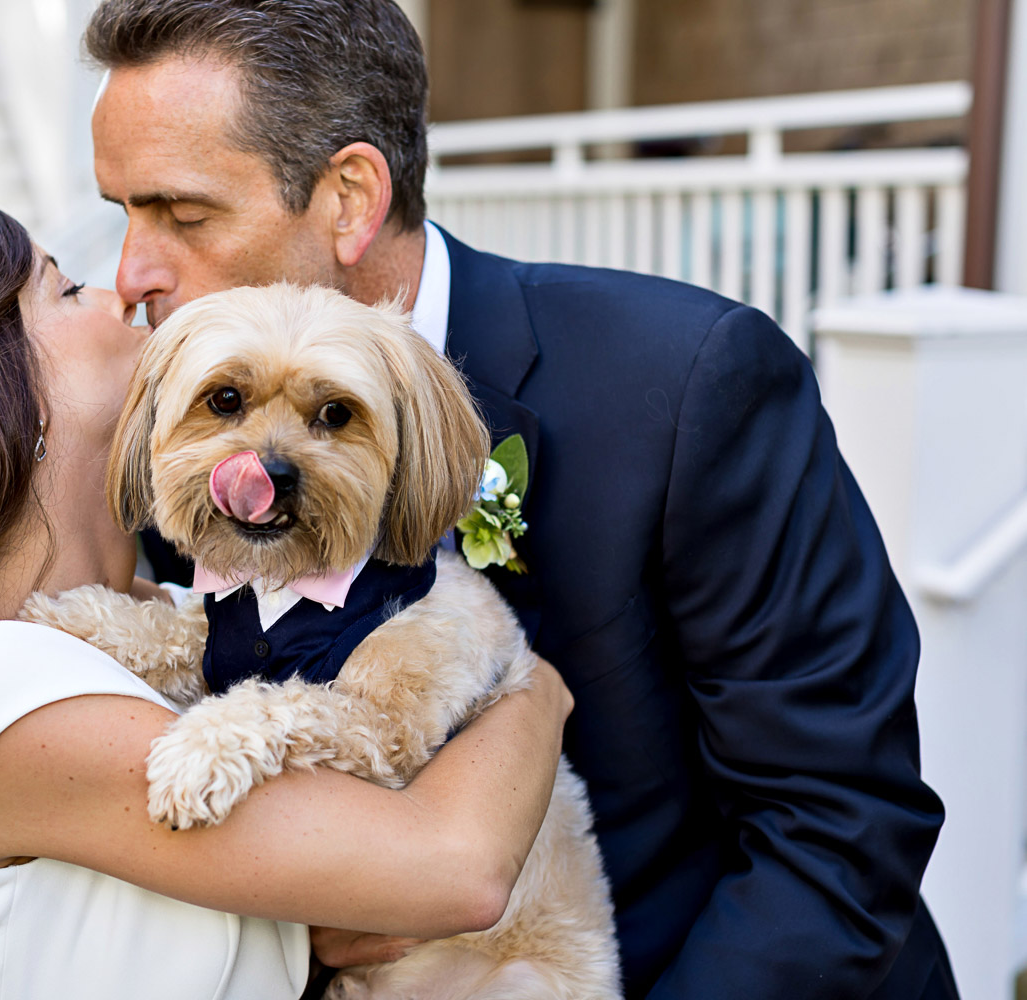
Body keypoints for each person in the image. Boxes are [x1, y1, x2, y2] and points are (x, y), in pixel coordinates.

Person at [83, 2, 957, 997]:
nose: (131, 274)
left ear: (349, 199)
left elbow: (839, 825)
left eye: (183, 216)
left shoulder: (686, 386)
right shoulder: (189, 437)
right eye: (122, 213)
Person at [0, 197, 574, 1000]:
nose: (123, 291)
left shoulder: (170, 626)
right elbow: (452, 866)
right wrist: (533, 691)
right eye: (68, 289)